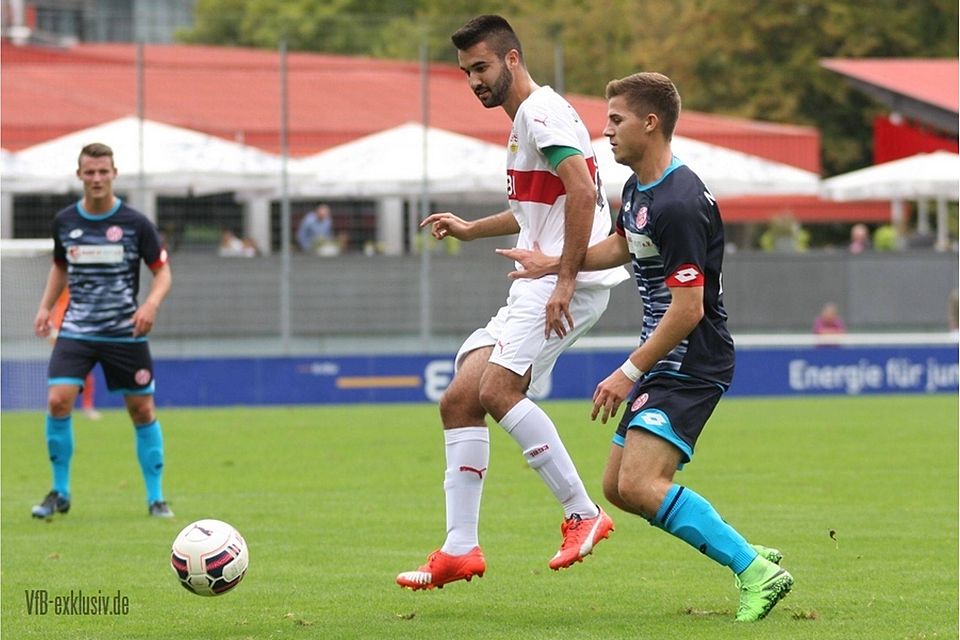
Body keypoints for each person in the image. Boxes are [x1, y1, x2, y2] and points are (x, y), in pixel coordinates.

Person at [498, 72, 793, 621]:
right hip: (667, 357)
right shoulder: (639, 188)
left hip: (692, 358)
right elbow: (620, 247)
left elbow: (689, 308)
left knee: (639, 482)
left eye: (616, 120)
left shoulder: (680, 202)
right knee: (617, 487)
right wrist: (555, 263)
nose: (604, 131)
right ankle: (744, 551)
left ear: (650, 124)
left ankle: (755, 570)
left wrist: (626, 372)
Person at [395, 15, 629, 591]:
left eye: (482, 67)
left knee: (499, 390)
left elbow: (581, 190)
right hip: (541, 277)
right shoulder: (532, 116)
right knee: (459, 399)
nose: (475, 80)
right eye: (466, 71)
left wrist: (566, 279)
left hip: (556, 280)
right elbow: (541, 206)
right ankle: (459, 549)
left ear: (513, 60)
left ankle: (583, 513)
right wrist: (473, 229)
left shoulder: (538, 114)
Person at [31, 142, 174, 519]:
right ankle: (59, 493)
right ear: (79, 175)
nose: (96, 178)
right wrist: (46, 307)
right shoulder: (65, 222)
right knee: (58, 400)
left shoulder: (136, 224)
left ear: (114, 173)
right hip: (77, 329)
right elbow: (60, 266)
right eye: (89, 172)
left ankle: (156, 498)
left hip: (123, 331)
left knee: (141, 409)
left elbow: (162, 273)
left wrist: (150, 305)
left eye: (102, 171)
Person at [48, 289, 100, 420]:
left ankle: (87, 406)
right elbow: (57, 304)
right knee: (60, 369)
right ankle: (56, 404)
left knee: (86, 371)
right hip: (61, 327)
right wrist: (53, 326)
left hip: (82, 327)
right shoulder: (63, 281)